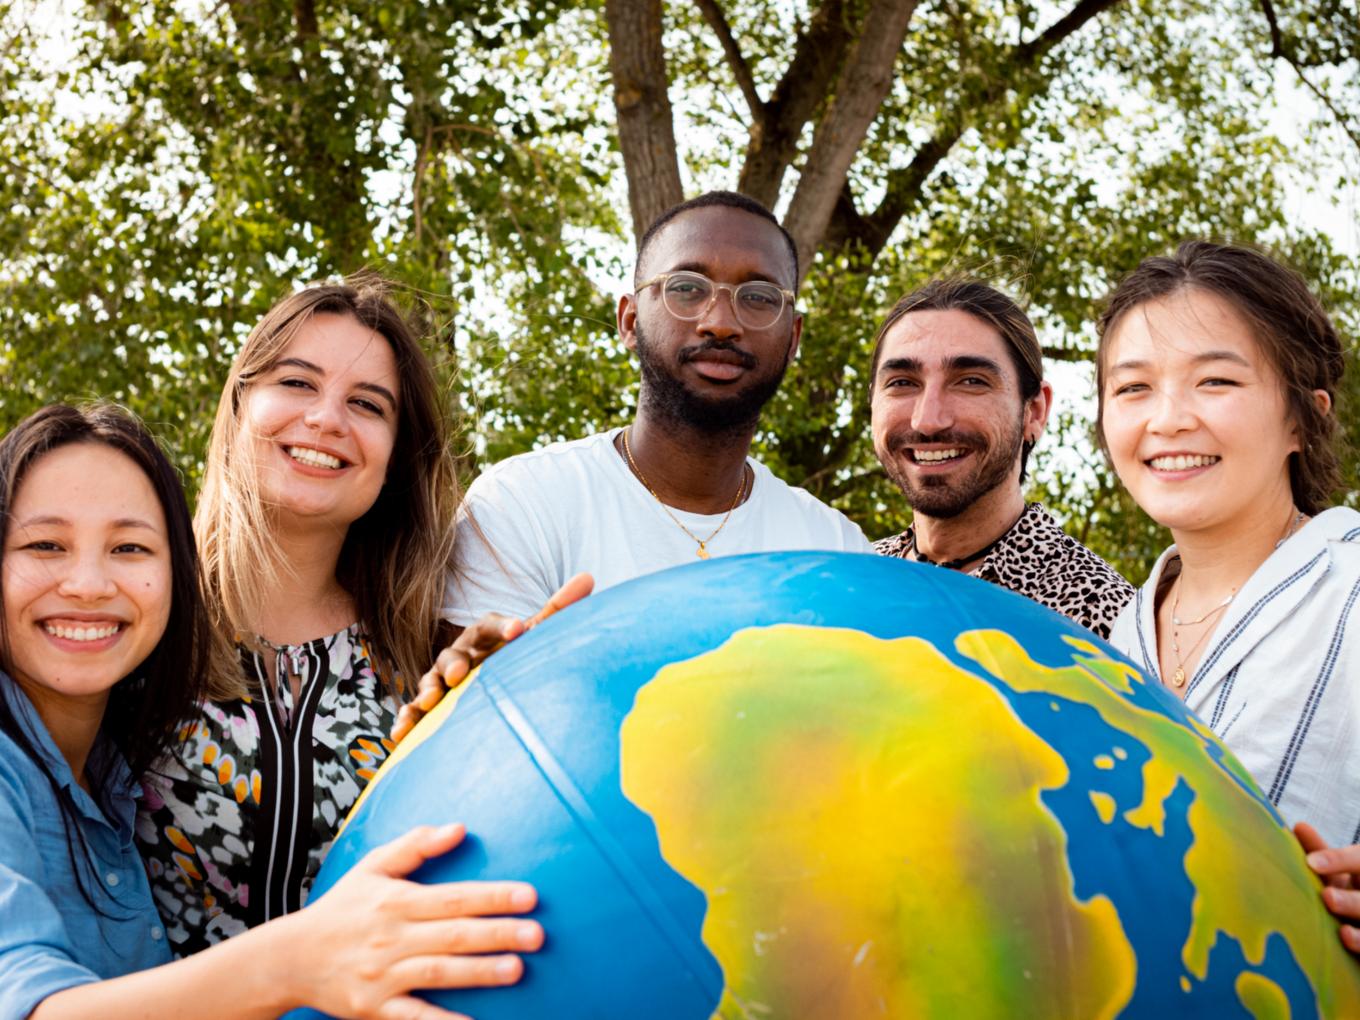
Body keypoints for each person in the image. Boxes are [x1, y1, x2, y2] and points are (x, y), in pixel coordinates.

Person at [0, 404, 541, 1020]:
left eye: (130, 547)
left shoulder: (113, 756)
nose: (89, 583)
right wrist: (296, 961)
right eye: (45, 545)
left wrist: (509, 691)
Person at [135, 279, 575, 953]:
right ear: (240, 404)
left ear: (396, 456)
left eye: (367, 404)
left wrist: (519, 706)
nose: (326, 419)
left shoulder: (425, 660)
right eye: (297, 382)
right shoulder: (138, 616)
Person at [442, 191, 871, 629]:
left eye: (759, 297)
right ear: (630, 321)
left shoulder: (836, 548)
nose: (720, 323)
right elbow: (477, 670)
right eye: (686, 288)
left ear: (793, 337)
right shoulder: (522, 503)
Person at [1098, 240, 1360, 950]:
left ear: (1303, 418)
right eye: (1132, 388)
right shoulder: (1111, 645)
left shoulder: (1350, 590)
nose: (1169, 419)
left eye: (1215, 381)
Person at [869, 278, 1133, 637]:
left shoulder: (1102, 619)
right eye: (902, 383)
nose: (927, 420)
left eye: (971, 381)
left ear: (1034, 412)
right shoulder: (853, 580)